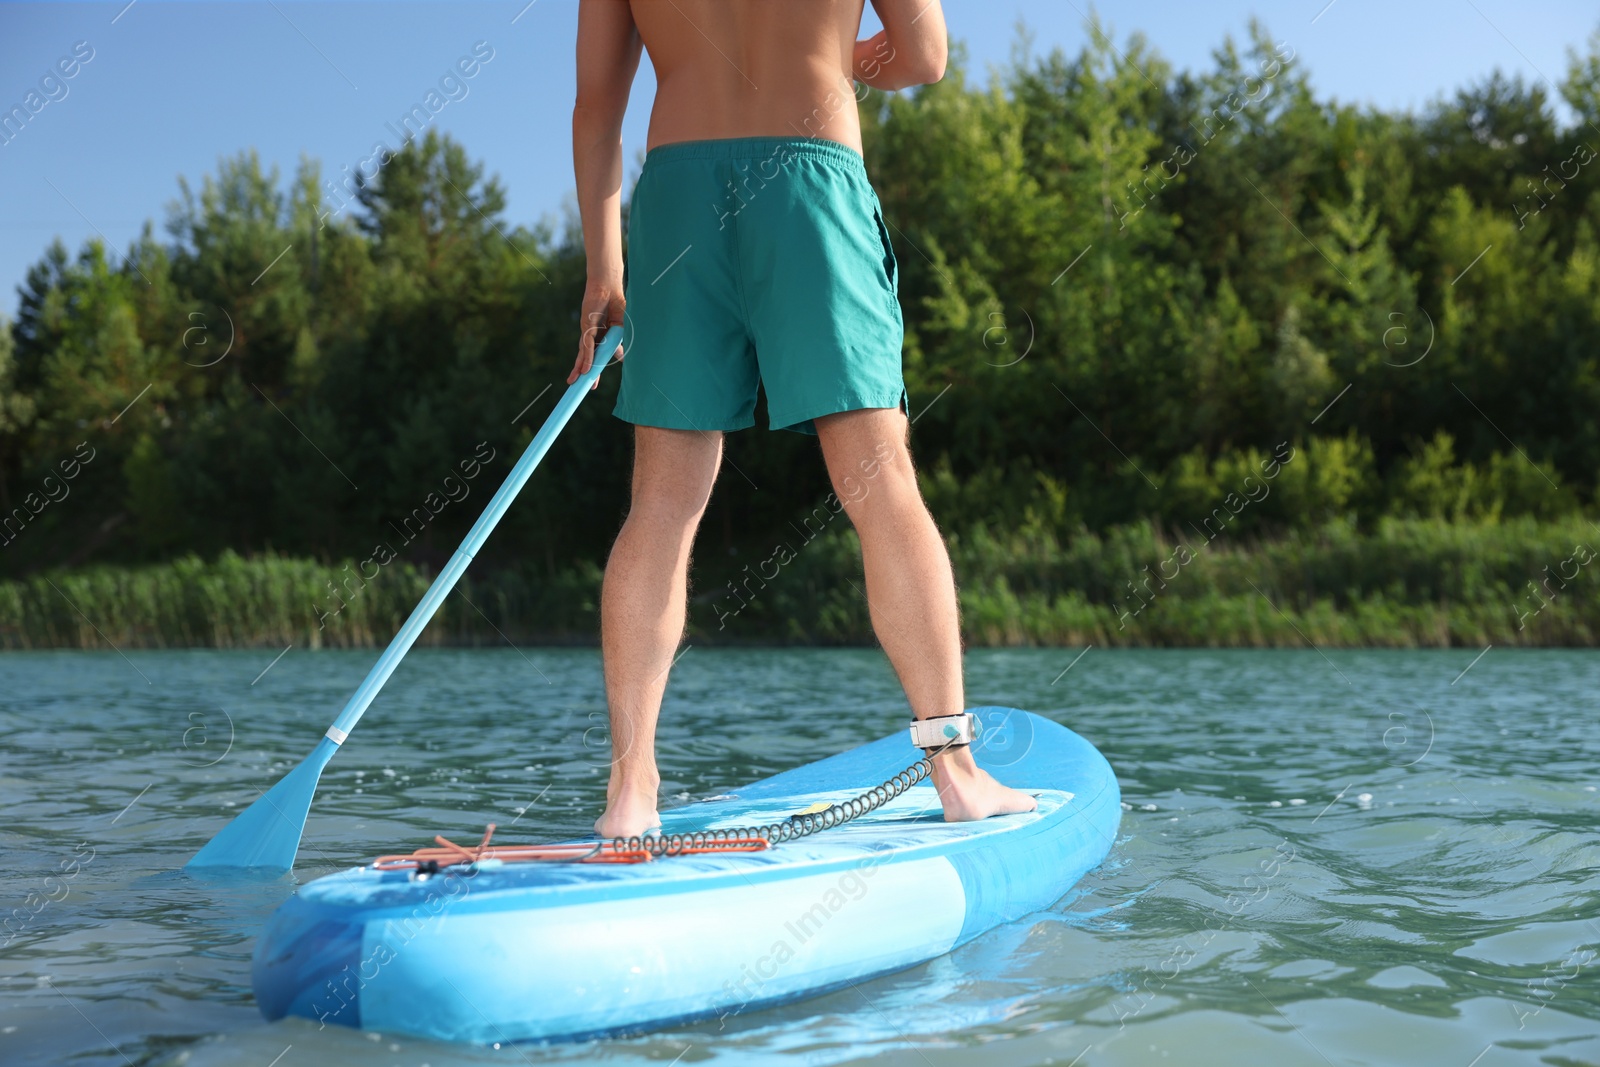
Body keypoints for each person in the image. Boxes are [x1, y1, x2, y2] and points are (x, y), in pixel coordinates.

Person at [568, 0, 1037, 839]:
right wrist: (826, 61)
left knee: (663, 499)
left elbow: (597, 105)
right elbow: (925, 55)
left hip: (677, 195)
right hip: (810, 173)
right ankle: (956, 772)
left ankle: (630, 791)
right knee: (880, 481)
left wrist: (606, 273)